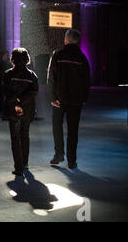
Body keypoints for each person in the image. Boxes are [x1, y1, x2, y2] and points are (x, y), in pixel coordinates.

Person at [47, 29, 90, 169]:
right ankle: (72, 160)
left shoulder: (58, 55)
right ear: (77, 41)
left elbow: (51, 77)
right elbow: (87, 80)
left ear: (65, 40)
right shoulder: (82, 58)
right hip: (76, 100)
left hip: (59, 99)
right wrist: (84, 97)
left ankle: (59, 154)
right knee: (73, 130)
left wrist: (52, 97)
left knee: (57, 127)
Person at [3, 48, 38, 177]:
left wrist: (16, 103)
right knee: (25, 136)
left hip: (13, 110)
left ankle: (18, 167)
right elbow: (34, 92)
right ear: (27, 59)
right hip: (27, 110)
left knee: (15, 138)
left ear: (13, 59)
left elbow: (6, 92)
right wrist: (22, 101)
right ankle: (25, 164)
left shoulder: (8, 74)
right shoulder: (32, 75)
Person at [0, 50, 12, 117]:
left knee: (6, 97)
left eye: (7, 55)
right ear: (3, 56)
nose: (7, 56)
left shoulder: (8, 63)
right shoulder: (0, 64)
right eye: (6, 55)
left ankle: (4, 111)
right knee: (0, 97)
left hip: (6, 82)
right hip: (2, 82)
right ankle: (0, 111)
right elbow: (1, 73)